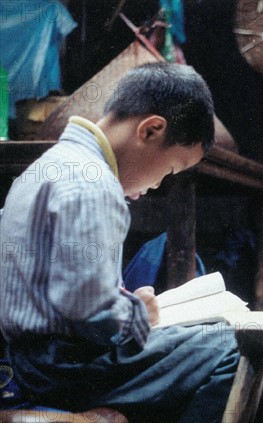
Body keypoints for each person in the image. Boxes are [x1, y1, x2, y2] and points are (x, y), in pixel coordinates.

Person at [0, 63, 239, 422]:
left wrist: (121, 302)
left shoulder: (48, 167)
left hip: (28, 359)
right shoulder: (94, 186)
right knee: (230, 346)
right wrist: (136, 315)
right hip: (63, 368)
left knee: (197, 341)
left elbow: (64, 289)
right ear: (152, 130)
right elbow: (91, 314)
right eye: (170, 170)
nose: (158, 185)